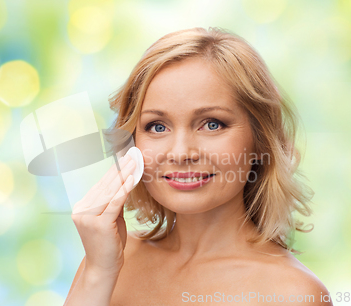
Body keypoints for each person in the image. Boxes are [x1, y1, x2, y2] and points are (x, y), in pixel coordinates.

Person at [64, 27, 332, 305]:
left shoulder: (293, 294)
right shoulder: (108, 261)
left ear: (260, 140)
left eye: (212, 124)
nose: (181, 153)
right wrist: (98, 273)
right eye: (157, 126)